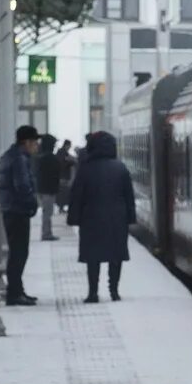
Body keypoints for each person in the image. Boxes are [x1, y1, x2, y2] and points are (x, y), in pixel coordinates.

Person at [66, 129, 136, 302]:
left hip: (91, 219)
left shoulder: (86, 169)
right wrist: (130, 217)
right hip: (117, 219)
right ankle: (114, 291)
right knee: (115, 256)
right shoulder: (121, 168)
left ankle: (93, 293)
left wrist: (73, 218)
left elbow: (77, 195)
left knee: (93, 258)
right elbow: (129, 196)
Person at [0, 124, 41, 306]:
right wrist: (32, 203)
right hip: (17, 210)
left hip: (10, 209)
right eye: (35, 142)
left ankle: (17, 290)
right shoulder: (20, 159)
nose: (36, 146)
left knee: (17, 252)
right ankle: (14, 293)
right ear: (27, 142)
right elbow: (22, 185)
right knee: (19, 253)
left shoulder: (10, 155)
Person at [35, 134, 70, 242]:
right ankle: (46, 233)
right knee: (47, 213)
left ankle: (47, 232)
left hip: (43, 189)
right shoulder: (49, 158)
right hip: (48, 190)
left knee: (47, 212)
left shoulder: (40, 157)